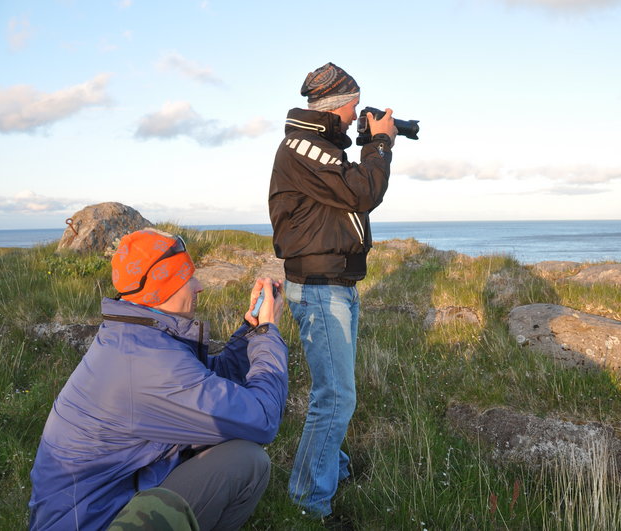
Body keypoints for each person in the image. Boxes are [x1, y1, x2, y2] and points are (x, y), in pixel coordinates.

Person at [28, 228, 288, 531]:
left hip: (95, 508)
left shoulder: (134, 338)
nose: (199, 285)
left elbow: (204, 384)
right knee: (247, 461)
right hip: (91, 523)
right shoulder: (147, 364)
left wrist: (251, 330)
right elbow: (263, 419)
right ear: (163, 287)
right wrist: (268, 334)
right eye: (187, 277)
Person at [268, 62, 397, 518]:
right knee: (335, 397)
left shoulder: (318, 143)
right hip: (321, 289)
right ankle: (309, 501)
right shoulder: (305, 147)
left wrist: (366, 139)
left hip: (334, 282)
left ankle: (331, 468)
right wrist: (380, 143)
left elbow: (343, 186)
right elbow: (361, 192)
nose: (359, 111)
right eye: (356, 105)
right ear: (340, 103)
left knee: (337, 391)